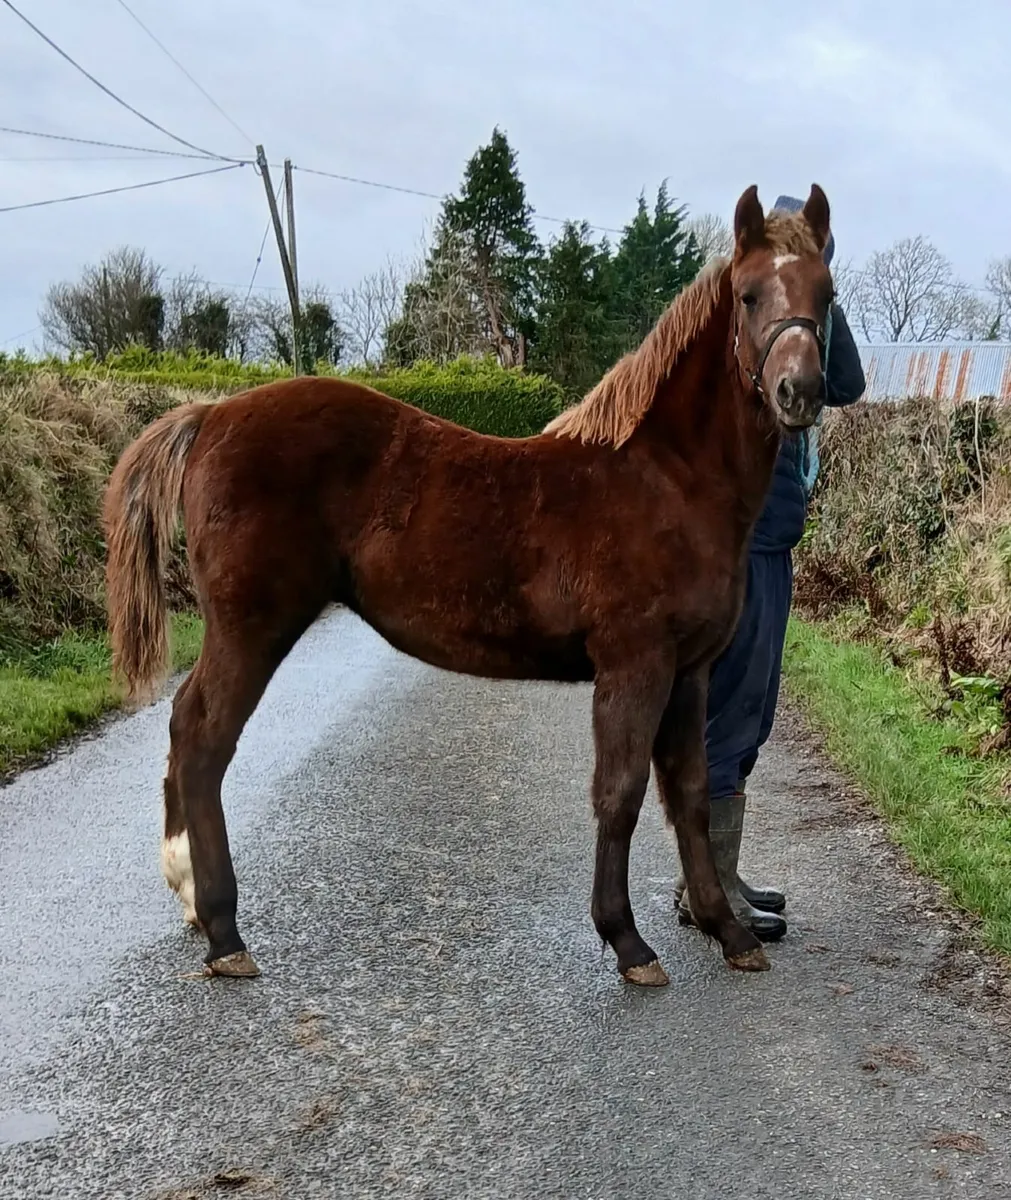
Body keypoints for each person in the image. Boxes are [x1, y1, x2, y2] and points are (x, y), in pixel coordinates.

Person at [676, 194, 867, 941]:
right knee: (730, 712)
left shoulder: (793, 328)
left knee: (750, 717)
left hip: (770, 539)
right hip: (741, 544)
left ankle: (711, 874)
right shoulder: (740, 330)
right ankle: (708, 889)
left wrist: (818, 303)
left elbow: (845, 384)